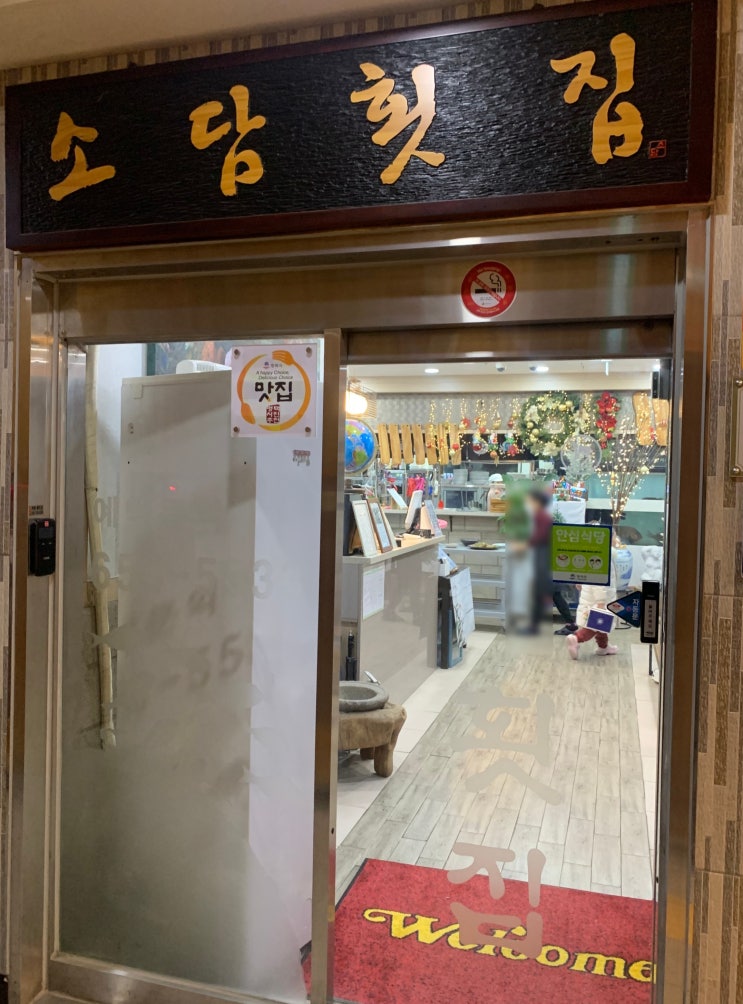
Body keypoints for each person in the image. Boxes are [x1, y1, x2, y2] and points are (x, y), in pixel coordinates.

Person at [566, 529, 619, 659]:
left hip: (591, 595)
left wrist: (579, 581)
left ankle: (603, 647)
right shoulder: (603, 556)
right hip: (599, 597)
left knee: (602, 624)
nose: (616, 539)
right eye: (614, 536)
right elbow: (599, 581)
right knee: (596, 624)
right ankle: (576, 638)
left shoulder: (593, 552)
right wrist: (601, 602)